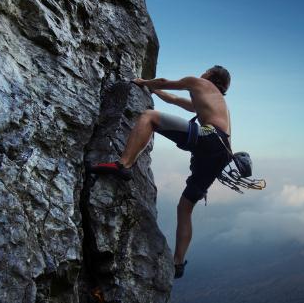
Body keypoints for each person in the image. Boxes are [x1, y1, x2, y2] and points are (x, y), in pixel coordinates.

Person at [89, 65, 232, 279]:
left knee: (149, 116)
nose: (203, 72)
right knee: (185, 208)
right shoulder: (214, 101)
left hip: (210, 138)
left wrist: (144, 82)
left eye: (207, 70)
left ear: (211, 76)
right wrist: (154, 91)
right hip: (221, 153)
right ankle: (178, 263)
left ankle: (123, 164)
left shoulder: (200, 83)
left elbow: (165, 81)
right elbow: (174, 100)